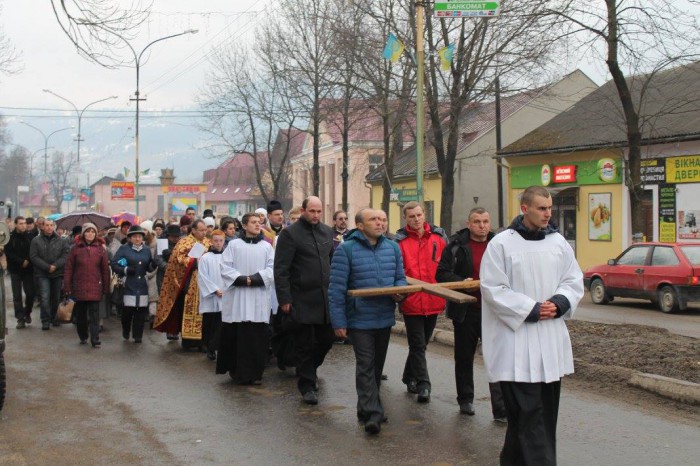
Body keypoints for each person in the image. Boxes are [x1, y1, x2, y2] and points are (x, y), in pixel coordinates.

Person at [480, 186, 584, 466]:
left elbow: (573, 280)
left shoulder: (558, 243)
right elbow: (493, 288)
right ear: (525, 209)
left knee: (544, 415)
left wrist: (560, 302)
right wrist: (531, 308)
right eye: (541, 208)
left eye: (549, 208)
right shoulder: (501, 244)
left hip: (549, 343)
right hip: (516, 344)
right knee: (528, 415)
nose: (547, 213)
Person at [329, 208, 407, 434]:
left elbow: (400, 278)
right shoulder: (346, 250)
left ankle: (365, 408)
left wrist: (400, 292)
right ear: (360, 225)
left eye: (383, 219)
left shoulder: (392, 247)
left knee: (375, 368)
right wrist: (338, 322)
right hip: (359, 318)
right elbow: (336, 289)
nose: (380, 223)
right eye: (374, 219)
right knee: (365, 365)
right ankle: (374, 414)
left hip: (383, 317)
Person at [435, 207, 506, 421]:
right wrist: (460, 282)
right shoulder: (456, 246)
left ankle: (501, 409)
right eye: (477, 221)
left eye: (485, 221)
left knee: (496, 360)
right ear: (469, 223)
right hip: (466, 310)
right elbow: (441, 274)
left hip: (494, 311)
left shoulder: (500, 245)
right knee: (464, 358)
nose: (482, 226)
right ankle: (465, 400)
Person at [274, 196, 336, 405]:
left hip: (325, 298)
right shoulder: (289, 234)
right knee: (304, 344)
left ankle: (309, 369)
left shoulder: (327, 232)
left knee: (327, 339)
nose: (316, 215)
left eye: (319, 212)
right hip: (301, 298)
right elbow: (281, 269)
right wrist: (284, 298)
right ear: (303, 211)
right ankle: (307, 386)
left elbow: (332, 262)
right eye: (312, 211)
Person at [395, 201, 448, 403]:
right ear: (405, 218)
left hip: (434, 300)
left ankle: (409, 376)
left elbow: (445, 267)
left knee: (422, 343)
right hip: (411, 302)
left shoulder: (438, 238)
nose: (416, 219)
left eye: (419, 215)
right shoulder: (399, 243)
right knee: (417, 344)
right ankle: (424, 384)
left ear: (424, 214)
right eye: (411, 216)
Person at [218, 213, 275, 384]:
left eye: (259, 222)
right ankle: (238, 372)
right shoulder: (234, 245)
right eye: (253, 222)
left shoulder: (266, 247)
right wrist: (243, 279)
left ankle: (256, 373)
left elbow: (272, 268)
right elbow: (225, 266)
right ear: (244, 225)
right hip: (238, 298)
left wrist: (255, 279)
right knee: (239, 336)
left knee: (257, 338)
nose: (258, 225)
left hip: (258, 297)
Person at [154, 219, 211, 347]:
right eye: (201, 230)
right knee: (187, 309)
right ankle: (188, 341)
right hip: (188, 283)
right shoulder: (184, 242)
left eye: (205, 230)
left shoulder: (208, 242)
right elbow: (178, 260)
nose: (204, 233)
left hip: (205, 283)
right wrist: (194, 262)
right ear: (194, 230)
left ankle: (203, 341)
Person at [63, 223, 110, 347]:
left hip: (95, 286)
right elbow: (69, 268)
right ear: (83, 233)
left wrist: (106, 287)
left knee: (95, 315)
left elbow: (105, 270)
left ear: (96, 234)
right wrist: (67, 286)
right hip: (79, 287)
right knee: (81, 314)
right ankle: (83, 335)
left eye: (92, 232)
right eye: (88, 231)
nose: (90, 234)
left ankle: (95, 338)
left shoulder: (100, 249)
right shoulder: (75, 249)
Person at [112, 225, 156, 343]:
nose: (137, 239)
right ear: (130, 238)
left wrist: (154, 265)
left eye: (140, 236)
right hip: (129, 284)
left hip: (142, 284)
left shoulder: (146, 250)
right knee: (127, 312)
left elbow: (149, 267)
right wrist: (125, 270)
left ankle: (138, 335)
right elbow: (114, 264)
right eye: (135, 236)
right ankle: (126, 330)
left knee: (140, 312)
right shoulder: (124, 249)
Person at [30, 218, 70, 330]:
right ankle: (45, 320)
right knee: (44, 297)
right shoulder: (36, 240)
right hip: (42, 274)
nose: (49, 227)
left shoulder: (62, 241)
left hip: (57, 273)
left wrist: (55, 266)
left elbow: (65, 256)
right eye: (46, 225)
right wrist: (47, 267)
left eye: (51, 225)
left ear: (54, 227)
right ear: (42, 226)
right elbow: (33, 256)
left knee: (56, 297)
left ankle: (54, 317)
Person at [197, 229, 226, 361]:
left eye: (221, 240)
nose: (218, 243)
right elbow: (202, 277)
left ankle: (217, 346)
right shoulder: (205, 258)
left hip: (224, 295)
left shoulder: (227, 257)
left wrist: (226, 290)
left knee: (220, 323)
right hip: (210, 295)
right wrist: (214, 290)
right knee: (209, 322)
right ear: (211, 241)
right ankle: (208, 347)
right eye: (216, 240)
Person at [4, 216, 35, 328]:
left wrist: (27, 260)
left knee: (30, 294)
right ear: (16, 224)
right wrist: (21, 261)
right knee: (17, 296)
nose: (23, 225)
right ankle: (20, 318)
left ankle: (27, 312)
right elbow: (9, 253)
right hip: (15, 270)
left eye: (24, 223)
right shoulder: (11, 238)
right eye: (21, 223)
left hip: (28, 270)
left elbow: (34, 251)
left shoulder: (31, 237)